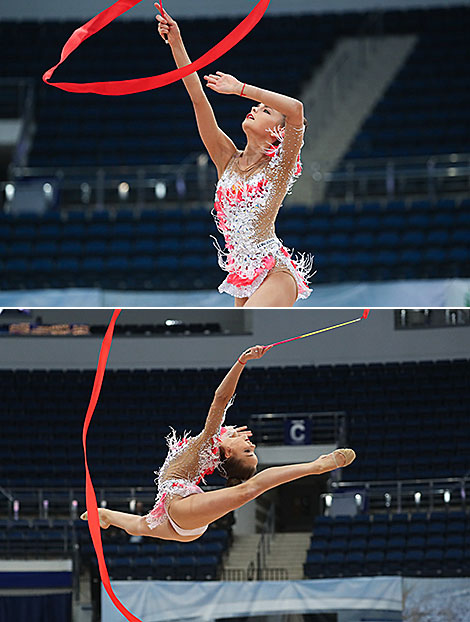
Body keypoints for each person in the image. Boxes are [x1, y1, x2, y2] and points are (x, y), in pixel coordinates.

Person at [81, 345, 356, 542]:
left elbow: (220, 399)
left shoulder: (209, 443)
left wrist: (241, 362)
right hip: (183, 516)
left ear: (225, 451)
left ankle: (316, 466)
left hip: (182, 509)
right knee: (139, 525)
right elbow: (228, 432)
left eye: (248, 451)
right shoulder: (214, 446)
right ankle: (105, 515)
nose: (253, 444)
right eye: (252, 449)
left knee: (247, 491)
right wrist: (234, 435)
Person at [154, 5, 315, 307]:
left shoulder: (280, 166)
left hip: (274, 274)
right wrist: (177, 44)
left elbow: (296, 110)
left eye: (264, 111)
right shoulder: (226, 158)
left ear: (276, 133)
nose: (255, 108)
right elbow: (198, 99)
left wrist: (241, 88)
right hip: (243, 278)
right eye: (256, 106)